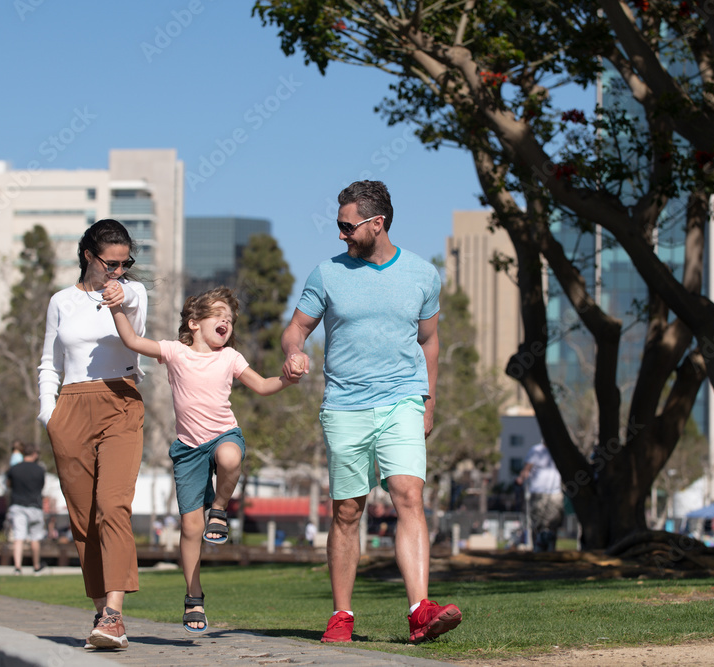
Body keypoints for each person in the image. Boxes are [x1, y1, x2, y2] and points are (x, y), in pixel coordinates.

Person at [281, 180, 461, 645]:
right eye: (338, 226)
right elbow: (296, 328)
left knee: (408, 495)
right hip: (345, 405)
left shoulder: (422, 275)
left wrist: (429, 401)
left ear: (376, 223)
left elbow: (429, 342)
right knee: (347, 511)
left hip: (402, 397)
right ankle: (342, 614)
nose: (340, 234)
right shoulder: (327, 274)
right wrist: (295, 352)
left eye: (346, 226)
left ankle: (421, 611)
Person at [102, 283, 296, 633]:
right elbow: (132, 341)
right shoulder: (175, 352)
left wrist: (287, 377)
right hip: (189, 450)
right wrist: (117, 307)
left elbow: (264, 386)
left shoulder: (230, 358)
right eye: (219, 315)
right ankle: (194, 595)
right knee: (191, 527)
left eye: (231, 319)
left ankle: (219, 509)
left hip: (224, 434)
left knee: (230, 457)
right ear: (194, 322)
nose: (227, 322)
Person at [37, 218, 148, 650]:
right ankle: (102, 611)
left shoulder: (133, 293)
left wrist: (120, 298)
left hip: (121, 401)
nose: (117, 271)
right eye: (110, 263)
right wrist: (50, 414)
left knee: (112, 506)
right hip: (71, 407)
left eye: (125, 263)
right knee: (83, 519)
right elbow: (49, 361)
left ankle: (116, 615)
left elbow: (135, 319)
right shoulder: (61, 301)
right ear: (89, 256)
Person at [5, 441, 47, 575]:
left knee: (19, 537)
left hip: (18, 505)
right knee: (35, 538)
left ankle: (18, 567)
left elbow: (8, 485)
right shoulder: (40, 470)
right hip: (35, 506)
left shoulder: (14, 469)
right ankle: (36, 566)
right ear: (34, 454)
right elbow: (41, 487)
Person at [515, 441, 564, 552]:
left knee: (553, 522)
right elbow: (527, 469)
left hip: (555, 492)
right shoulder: (536, 450)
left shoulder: (559, 449)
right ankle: (537, 548)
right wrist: (521, 479)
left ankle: (551, 549)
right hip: (538, 491)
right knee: (537, 522)